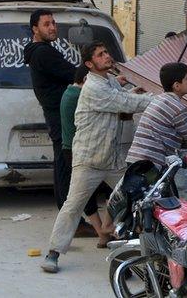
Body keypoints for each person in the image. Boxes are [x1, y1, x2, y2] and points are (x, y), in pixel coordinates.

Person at [41, 42, 152, 274]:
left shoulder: (108, 81)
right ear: (90, 65)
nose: (107, 56)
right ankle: (53, 253)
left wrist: (137, 92)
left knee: (133, 196)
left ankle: (109, 234)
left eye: (106, 52)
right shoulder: (93, 87)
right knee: (73, 205)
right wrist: (161, 98)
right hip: (89, 159)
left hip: (111, 159)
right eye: (101, 55)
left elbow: (122, 98)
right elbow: (125, 103)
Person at [23, 9, 75, 210]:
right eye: (47, 24)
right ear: (35, 29)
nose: (53, 27)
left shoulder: (39, 50)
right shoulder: (44, 52)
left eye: (53, 22)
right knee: (65, 165)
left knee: (63, 163)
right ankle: (69, 215)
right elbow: (72, 74)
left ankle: (69, 213)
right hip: (59, 115)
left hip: (56, 114)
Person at [59, 65, 114, 247]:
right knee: (110, 191)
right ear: (85, 80)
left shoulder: (69, 93)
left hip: (71, 149)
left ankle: (102, 234)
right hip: (83, 151)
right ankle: (104, 231)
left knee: (86, 196)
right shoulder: (80, 96)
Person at [126, 62, 187, 169]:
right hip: (150, 164)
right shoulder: (178, 108)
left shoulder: (159, 99)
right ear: (177, 86)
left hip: (136, 159)